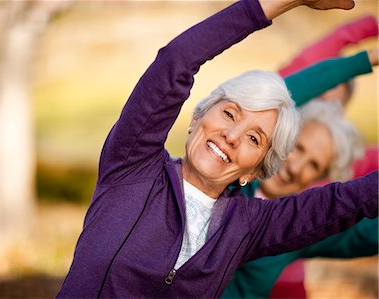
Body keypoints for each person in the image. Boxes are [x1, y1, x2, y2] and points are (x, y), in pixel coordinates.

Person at [56, 0, 377, 297]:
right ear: (196, 117)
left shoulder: (250, 225)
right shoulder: (132, 165)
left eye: (255, 139)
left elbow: (348, 201)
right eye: (228, 113)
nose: (233, 135)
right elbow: (176, 60)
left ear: (254, 170)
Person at [221, 101, 378, 299]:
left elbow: (365, 236)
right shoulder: (228, 177)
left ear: (319, 178)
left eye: (314, 165)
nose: (295, 168)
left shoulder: (299, 223)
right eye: (298, 147)